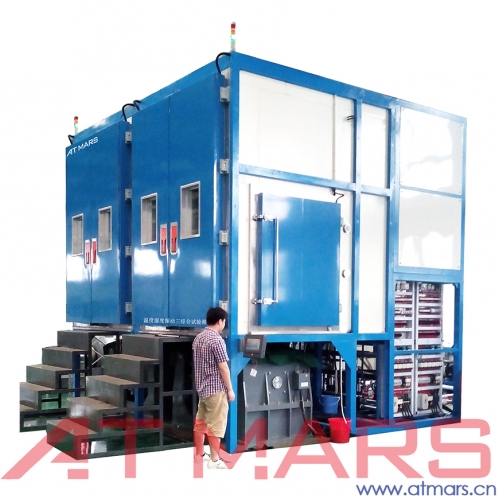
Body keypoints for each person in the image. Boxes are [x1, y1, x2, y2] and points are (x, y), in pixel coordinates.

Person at [192, 306, 235, 469]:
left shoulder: (198, 338)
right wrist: (230, 389)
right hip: (216, 389)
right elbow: (223, 367)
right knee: (216, 425)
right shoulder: (217, 340)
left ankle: (199, 455)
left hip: (203, 389)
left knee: (200, 422)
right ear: (220, 321)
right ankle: (215, 460)